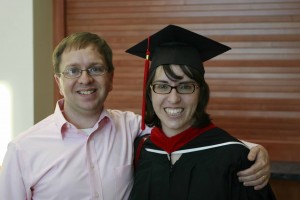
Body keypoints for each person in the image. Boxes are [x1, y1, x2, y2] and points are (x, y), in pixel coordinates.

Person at [0, 31, 269, 200]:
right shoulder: (23, 150)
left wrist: (250, 150)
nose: (85, 79)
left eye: (95, 69)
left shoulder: (132, 129)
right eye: (72, 71)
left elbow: (189, 134)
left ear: (110, 78)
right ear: (58, 80)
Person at [126, 24, 276, 199]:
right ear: (150, 93)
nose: (174, 98)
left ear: (201, 93)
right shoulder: (141, 151)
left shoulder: (236, 158)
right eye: (162, 86)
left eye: (185, 86)